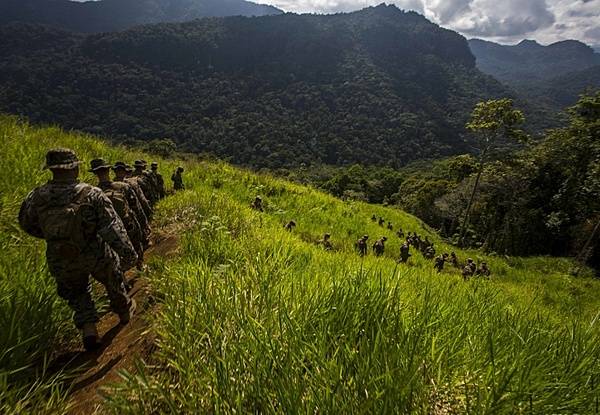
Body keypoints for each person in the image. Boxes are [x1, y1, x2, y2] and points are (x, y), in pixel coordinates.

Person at [18, 149, 137, 351]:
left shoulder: (36, 197)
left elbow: (26, 224)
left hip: (60, 256)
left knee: (76, 292)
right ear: (75, 167)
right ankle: (124, 311)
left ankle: (89, 329)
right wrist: (128, 253)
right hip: (93, 251)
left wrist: (53, 239)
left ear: (52, 170)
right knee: (112, 279)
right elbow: (112, 229)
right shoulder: (91, 194)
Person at [90, 159, 145, 270]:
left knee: (114, 253)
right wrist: (143, 223)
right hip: (128, 223)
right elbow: (136, 207)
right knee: (136, 244)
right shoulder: (123, 186)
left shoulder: (93, 193)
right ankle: (140, 265)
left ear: (95, 173)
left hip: (108, 230)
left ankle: (122, 276)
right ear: (109, 170)